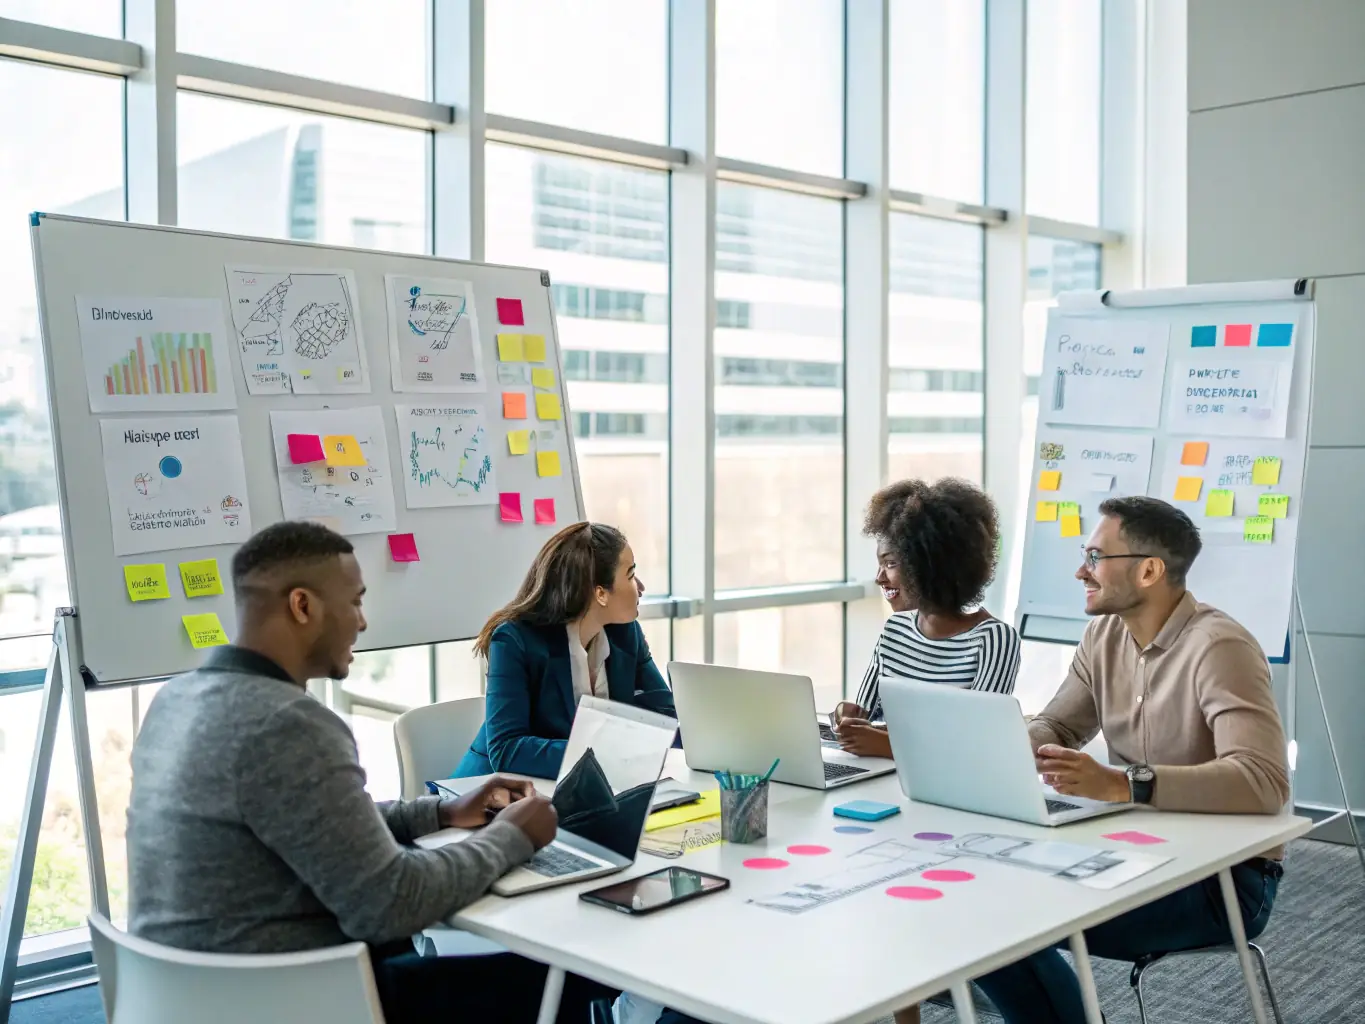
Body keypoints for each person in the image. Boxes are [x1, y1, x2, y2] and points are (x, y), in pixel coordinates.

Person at [126, 521, 619, 1023]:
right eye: (356, 601)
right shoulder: (287, 723)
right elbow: (393, 902)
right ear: (303, 606)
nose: (362, 622)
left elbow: (313, 822)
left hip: (192, 996)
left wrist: (442, 812)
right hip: (297, 1000)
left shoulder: (177, 700)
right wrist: (512, 837)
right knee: (573, 970)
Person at [974, 496, 1290, 1024]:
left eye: (1096, 557)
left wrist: (1126, 784)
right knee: (983, 896)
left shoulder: (1220, 648)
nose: (1081, 570)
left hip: (1224, 881)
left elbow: (1262, 783)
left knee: (1012, 923)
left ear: (1148, 570)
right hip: (1130, 850)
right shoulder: (1104, 635)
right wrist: (1024, 741)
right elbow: (1059, 724)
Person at [455, 521, 676, 780]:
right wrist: (604, 752)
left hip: (575, 790)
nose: (640, 587)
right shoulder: (515, 640)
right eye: (630, 574)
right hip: (489, 795)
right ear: (600, 593)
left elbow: (666, 716)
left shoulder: (625, 634)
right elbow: (507, 749)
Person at [833, 478, 1021, 761]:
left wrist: (890, 746)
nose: (879, 577)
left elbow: (978, 743)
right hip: (884, 782)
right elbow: (865, 718)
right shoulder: (894, 630)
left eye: (890, 563)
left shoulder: (994, 639)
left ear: (930, 563)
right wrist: (847, 718)